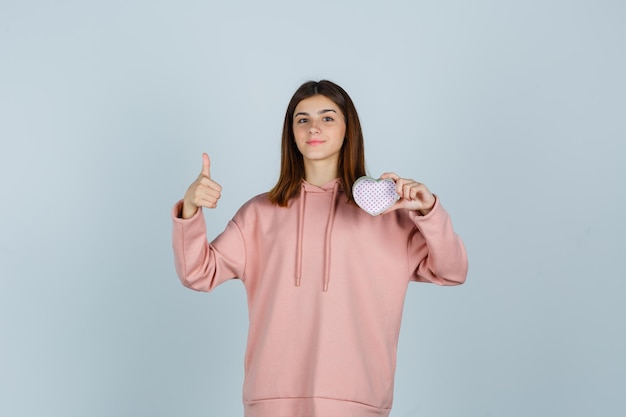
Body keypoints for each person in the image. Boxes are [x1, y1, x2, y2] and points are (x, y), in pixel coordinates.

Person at [171, 80, 468, 417]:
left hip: (359, 401)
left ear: (347, 130)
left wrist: (428, 212)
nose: (314, 127)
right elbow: (198, 273)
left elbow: (453, 270)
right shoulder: (258, 214)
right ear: (292, 134)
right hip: (271, 402)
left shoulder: (388, 215)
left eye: (327, 118)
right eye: (302, 119)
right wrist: (191, 209)